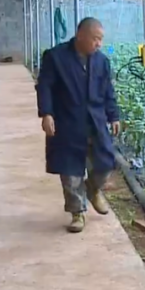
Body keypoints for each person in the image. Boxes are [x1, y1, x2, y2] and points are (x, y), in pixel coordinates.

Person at [36, 17, 121, 233]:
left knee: (105, 162)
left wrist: (114, 116)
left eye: (101, 40)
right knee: (71, 171)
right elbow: (44, 87)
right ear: (81, 35)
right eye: (96, 39)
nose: (99, 44)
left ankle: (92, 189)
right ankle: (77, 213)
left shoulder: (102, 61)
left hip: (95, 120)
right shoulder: (56, 57)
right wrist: (47, 113)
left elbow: (108, 92)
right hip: (67, 121)